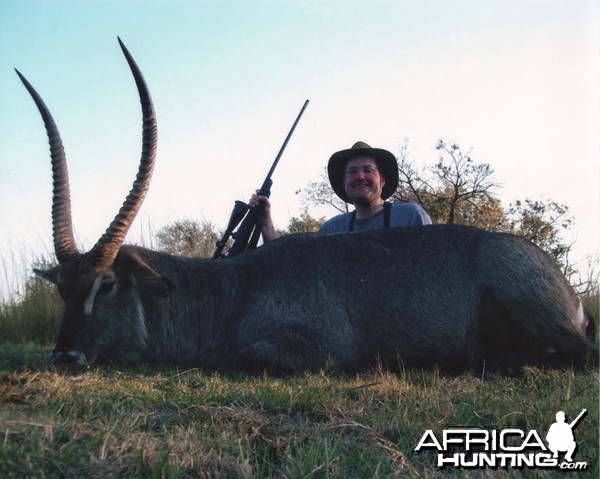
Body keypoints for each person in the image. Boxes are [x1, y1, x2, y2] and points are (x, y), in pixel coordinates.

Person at [249, 141, 431, 241]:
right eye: (352, 171)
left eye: (368, 170)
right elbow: (295, 270)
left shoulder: (410, 216)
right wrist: (265, 221)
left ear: (382, 179)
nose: (360, 176)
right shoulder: (332, 229)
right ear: (344, 182)